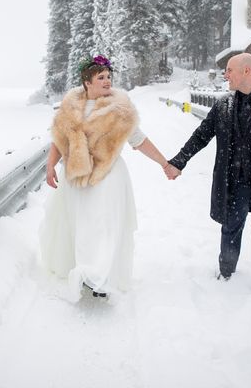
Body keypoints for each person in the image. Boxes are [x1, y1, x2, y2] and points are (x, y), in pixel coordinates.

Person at [164, 53, 251, 307]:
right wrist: (179, 162)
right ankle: (226, 274)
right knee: (230, 228)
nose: (225, 75)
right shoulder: (222, 104)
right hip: (234, 182)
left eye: (229, 70)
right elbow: (201, 135)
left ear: (246, 71)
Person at [40, 55, 170, 301]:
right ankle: (85, 272)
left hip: (108, 176)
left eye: (109, 77)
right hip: (76, 178)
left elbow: (139, 140)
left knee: (104, 225)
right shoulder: (70, 107)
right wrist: (50, 168)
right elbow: (59, 140)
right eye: (101, 77)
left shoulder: (120, 110)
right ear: (87, 82)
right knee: (81, 225)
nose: (107, 81)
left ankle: (100, 277)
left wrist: (164, 163)